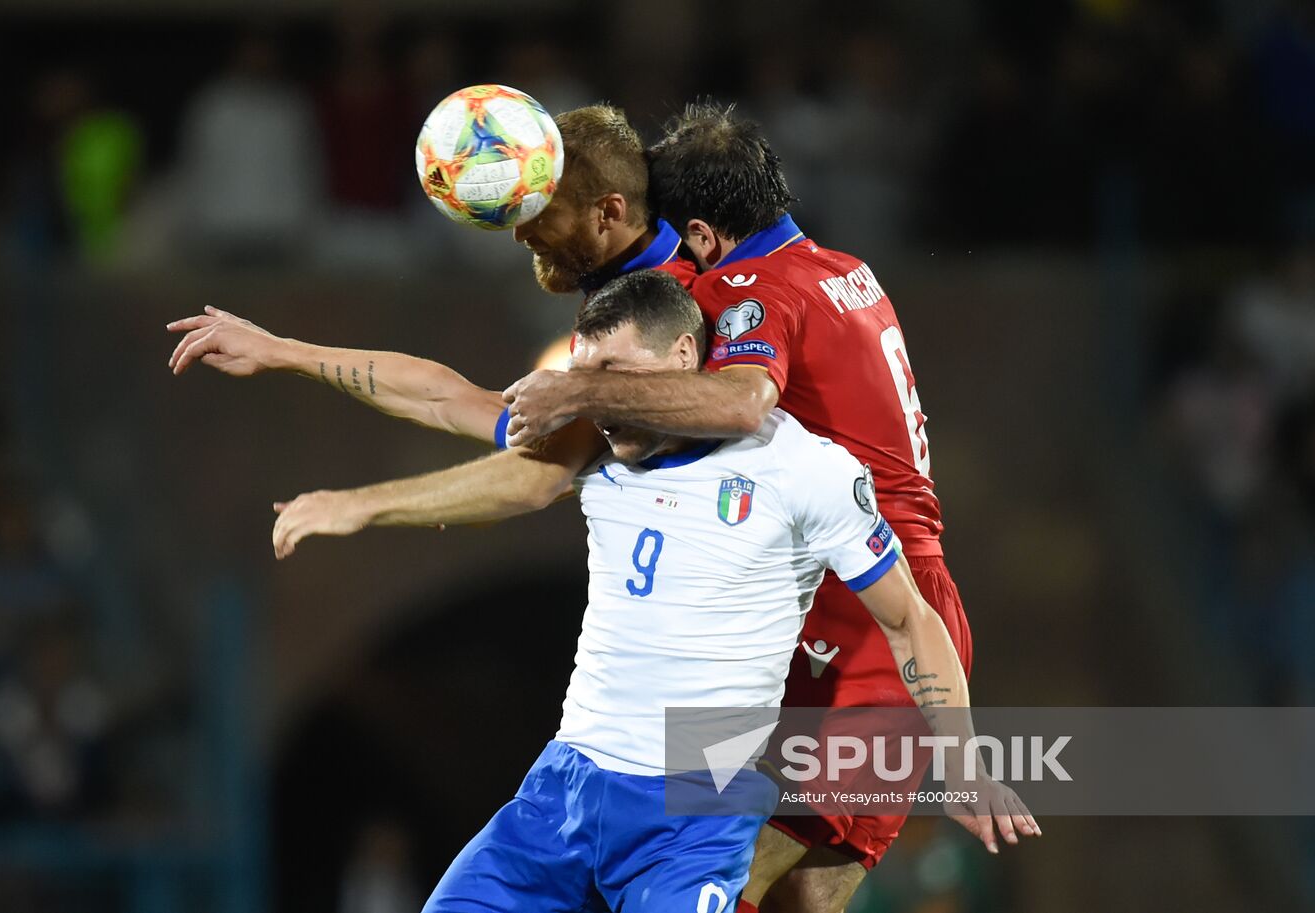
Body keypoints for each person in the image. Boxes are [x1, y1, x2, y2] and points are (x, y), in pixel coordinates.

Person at [271, 270, 1026, 913]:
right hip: (561, 792)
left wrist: (959, 757)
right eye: (585, 376)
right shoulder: (594, 453)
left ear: (685, 355)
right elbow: (441, 396)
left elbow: (910, 620)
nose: (599, 400)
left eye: (616, 377)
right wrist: (282, 353)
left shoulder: (803, 470)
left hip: (693, 812)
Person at [166, 104, 694, 436]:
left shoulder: (688, 304)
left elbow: (539, 476)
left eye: (537, 215)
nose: (519, 235)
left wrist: (377, 505)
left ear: (609, 212)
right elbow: (455, 400)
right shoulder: (618, 289)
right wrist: (284, 351)